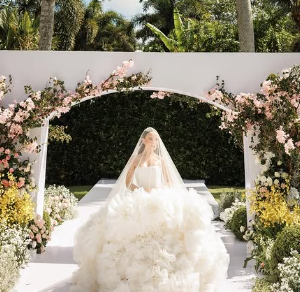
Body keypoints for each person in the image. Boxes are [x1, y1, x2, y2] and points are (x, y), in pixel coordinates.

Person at [72, 127, 230, 292]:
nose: (154, 142)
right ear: (144, 141)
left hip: (157, 197)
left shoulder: (160, 160)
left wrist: (157, 190)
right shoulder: (136, 158)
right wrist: (138, 190)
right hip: (139, 196)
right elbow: (128, 181)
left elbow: (169, 182)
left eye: (156, 139)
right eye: (150, 138)